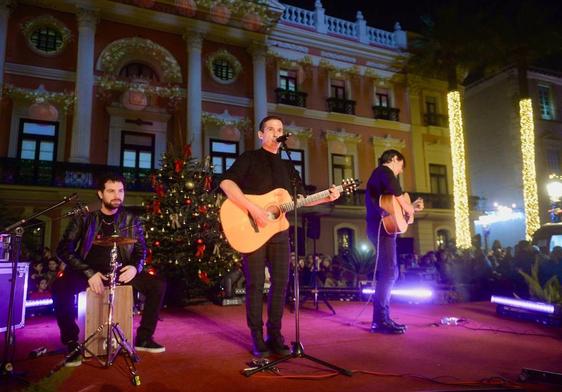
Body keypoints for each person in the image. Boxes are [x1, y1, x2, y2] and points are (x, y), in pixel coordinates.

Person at [220, 115, 340, 357]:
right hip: (251, 227)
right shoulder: (249, 158)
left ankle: (274, 334)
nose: (276, 132)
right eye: (271, 129)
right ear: (261, 134)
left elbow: (299, 199)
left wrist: (327, 196)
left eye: (280, 129)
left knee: (281, 283)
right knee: (255, 285)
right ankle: (256, 336)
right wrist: (254, 209)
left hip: (279, 231)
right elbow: (226, 184)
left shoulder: (287, 165)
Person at [52, 173, 166, 367]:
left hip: (120, 271)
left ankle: (144, 338)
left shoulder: (131, 219)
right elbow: (64, 249)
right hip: (88, 272)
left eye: (120, 191)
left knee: (157, 285)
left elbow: (141, 250)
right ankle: (71, 342)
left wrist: (135, 267)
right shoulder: (85, 217)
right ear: (100, 193)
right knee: (60, 287)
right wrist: (88, 272)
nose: (117, 195)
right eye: (111, 191)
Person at [365, 149, 423, 334]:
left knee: (391, 272)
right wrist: (409, 207)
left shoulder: (382, 179)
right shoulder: (384, 171)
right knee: (389, 273)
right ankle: (380, 321)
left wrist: (409, 208)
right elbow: (397, 193)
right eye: (401, 166)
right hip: (382, 229)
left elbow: (392, 204)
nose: (401, 171)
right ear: (394, 159)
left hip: (385, 229)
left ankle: (383, 318)